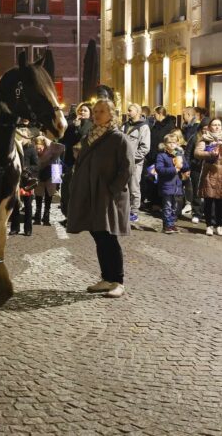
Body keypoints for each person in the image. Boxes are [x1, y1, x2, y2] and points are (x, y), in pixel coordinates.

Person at [66, 99, 133, 299]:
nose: (96, 114)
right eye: (95, 111)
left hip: (108, 197)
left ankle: (118, 281)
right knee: (98, 235)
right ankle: (106, 277)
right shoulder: (89, 136)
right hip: (91, 194)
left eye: (101, 111)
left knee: (109, 236)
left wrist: (112, 189)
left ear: (111, 114)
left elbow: (127, 168)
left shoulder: (119, 138)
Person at [195, 118, 222, 236]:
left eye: (219, 125)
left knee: (221, 201)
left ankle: (220, 225)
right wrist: (209, 154)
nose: (217, 127)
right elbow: (197, 153)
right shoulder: (205, 138)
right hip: (210, 172)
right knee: (209, 200)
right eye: (214, 125)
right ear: (209, 127)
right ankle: (209, 225)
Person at [60, 102, 92, 222]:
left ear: (90, 113)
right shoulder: (72, 124)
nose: (82, 112)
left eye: (85, 111)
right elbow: (63, 139)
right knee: (66, 188)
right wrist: (73, 125)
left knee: (77, 189)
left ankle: (79, 216)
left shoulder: (91, 125)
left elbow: (83, 138)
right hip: (69, 160)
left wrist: (78, 127)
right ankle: (68, 215)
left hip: (82, 161)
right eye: (81, 110)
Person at [122, 103, 150, 222]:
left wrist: (132, 158)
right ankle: (124, 210)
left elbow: (145, 148)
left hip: (135, 163)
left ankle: (134, 212)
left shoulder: (143, 127)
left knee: (134, 187)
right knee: (123, 187)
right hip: (122, 162)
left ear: (138, 112)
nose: (128, 112)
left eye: (130, 110)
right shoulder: (125, 126)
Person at [156, 133, 189, 234]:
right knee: (167, 206)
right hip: (167, 185)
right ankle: (167, 225)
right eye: (169, 143)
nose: (172, 145)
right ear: (165, 144)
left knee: (176, 207)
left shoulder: (179, 155)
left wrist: (181, 160)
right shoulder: (162, 155)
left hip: (177, 185)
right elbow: (159, 169)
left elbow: (186, 167)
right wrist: (174, 169)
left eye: (174, 143)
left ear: (177, 143)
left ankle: (172, 223)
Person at [10, 134, 38, 237]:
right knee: (15, 205)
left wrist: (27, 169)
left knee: (27, 205)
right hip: (16, 180)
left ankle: (28, 229)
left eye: (23, 136)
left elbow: (36, 165)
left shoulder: (31, 149)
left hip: (26, 181)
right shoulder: (15, 148)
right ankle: (14, 228)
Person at [33, 136, 64, 226]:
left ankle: (46, 217)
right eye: (37, 148)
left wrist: (47, 140)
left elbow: (62, 147)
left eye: (40, 148)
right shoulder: (34, 151)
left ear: (44, 146)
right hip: (39, 174)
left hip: (52, 173)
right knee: (38, 195)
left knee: (48, 196)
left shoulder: (51, 149)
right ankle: (37, 217)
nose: (38, 150)